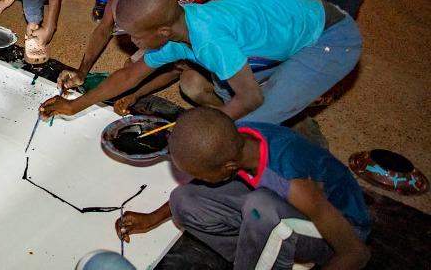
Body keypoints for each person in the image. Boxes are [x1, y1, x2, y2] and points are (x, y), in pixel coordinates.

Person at [40, 0, 363, 125]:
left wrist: (204, 127)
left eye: (135, 36)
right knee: (225, 90)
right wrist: (75, 105)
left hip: (329, 38)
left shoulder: (209, 42)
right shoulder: (178, 29)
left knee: (249, 125)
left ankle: (297, 125)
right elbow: (128, 76)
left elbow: (251, 99)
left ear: (161, 32)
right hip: (289, 23)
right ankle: (286, 98)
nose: (131, 42)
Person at [117, 108, 371, 270]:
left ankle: (265, 257)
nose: (195, 179)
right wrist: (153, 218)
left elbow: (357, 254)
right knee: (183, 200)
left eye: (200, 175)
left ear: (228, 167)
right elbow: (198, 188)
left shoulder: (294, 185)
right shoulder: (237, 138)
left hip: (337, 230)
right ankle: (258, 259)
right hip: (281, 207)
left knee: (261, 208)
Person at [64, 0, 259, 114]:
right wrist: (82, 71)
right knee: (135, 67)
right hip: (177, 23)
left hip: (213, 19)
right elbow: (105, 27)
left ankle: (232, 114)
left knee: (192, 81)